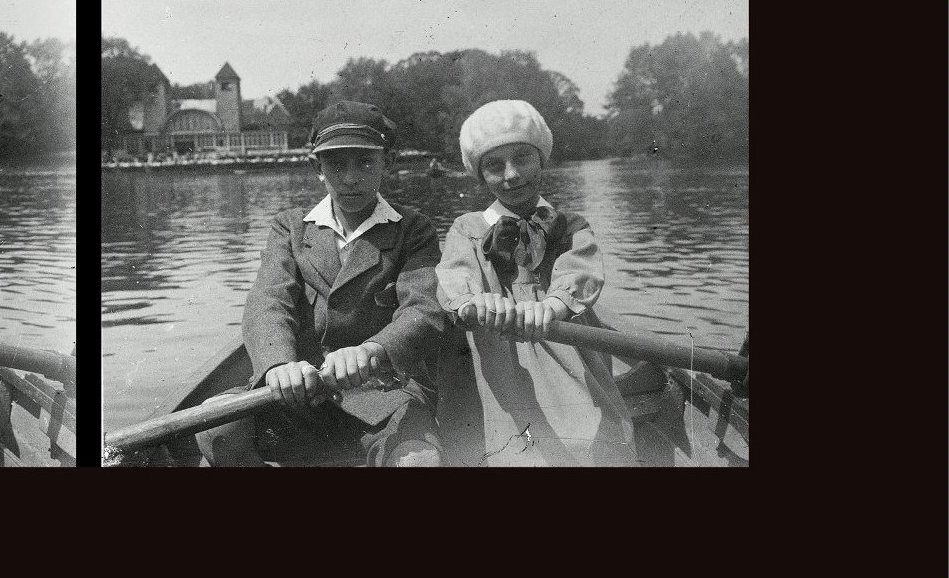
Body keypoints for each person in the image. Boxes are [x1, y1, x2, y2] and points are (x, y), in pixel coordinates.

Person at [196, 101, 449, 466]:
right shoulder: (290, 228)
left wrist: (371, 350)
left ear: (388, 162)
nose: (350, 178)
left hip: (386, 394)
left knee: (418, 462)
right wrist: (278, 365)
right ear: (317, 167)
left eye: (365, 162)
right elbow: (268, 301)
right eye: (336, 164)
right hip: (301, 393)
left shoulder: (413, 229)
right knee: (215, 430)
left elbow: (424, 311)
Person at [434, 99, 637, 466]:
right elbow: (455, 276)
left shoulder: (570, 226)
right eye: (495, 166)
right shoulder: (467, 229)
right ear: (480, 176)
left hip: (567, 341)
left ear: (542, 159)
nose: (511, 175)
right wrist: (474, 301)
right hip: (502, 355)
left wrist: (552, 307)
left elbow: (580, 272)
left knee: (596, 435)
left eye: (522, 158)